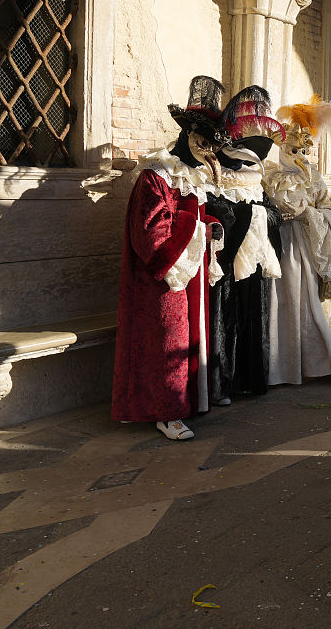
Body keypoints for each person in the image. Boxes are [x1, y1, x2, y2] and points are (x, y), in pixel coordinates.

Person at [112, 76, 228, 441]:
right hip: (162, 276)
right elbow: (149, 232)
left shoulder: (192, 175)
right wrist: (194, 229)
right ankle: (165, 412)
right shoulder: (155, 176)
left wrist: (212, 227)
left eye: (213, 146)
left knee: (188, 340)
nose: (209, 152)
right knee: (168, 340)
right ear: (187, 135)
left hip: (188, 270)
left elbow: (197, 214)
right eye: (203, 141)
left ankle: (185, 403)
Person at [263, 96, 331, 386]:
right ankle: (286, 368)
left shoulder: (314, 177)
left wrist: (313, 216)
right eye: (293, 149)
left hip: (313, 248)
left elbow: (328, 208)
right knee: (288, 302)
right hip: (285, 247)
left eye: (303, 149)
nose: (299, 154)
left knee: (315, 303)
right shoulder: (269, 175)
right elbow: (271, 208)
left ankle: (318, 365)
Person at [205, 86, 286, 404]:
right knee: (225, 319)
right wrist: (237, 215)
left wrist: (260, 214)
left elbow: (274, 216)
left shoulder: (256, 177)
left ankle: (251, 379)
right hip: (226, 264)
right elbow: (213, 212)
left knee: (255, 316)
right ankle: (222, 383)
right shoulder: (214, 174)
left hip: (254, 264)